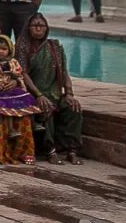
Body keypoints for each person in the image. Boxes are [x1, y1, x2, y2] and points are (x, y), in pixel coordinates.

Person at [16, 13, 84, 165]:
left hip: (55, 94)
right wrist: (38, 95)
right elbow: (23, 73)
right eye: (35, 26)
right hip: (33, 95)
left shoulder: (55, 47)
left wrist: (69, 94)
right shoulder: (22, 46)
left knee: (74, 109)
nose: (38, 29)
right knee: (46, 109)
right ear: (29, 28)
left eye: (42, 26)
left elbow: (64, 71)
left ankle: (71, 150)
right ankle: (50, 150)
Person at [0, 35, 41, 165]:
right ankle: (9, 133)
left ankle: (29, 139)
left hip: (11, 91)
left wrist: (16, 82)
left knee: (27, 103)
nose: (0, 51)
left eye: (4, 49)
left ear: (9, 50)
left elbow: (19, 76)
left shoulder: (13, 62)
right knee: (4, 110)